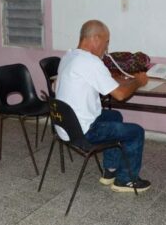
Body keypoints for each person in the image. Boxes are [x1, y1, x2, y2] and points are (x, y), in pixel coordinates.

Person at [55, 20, 151, 192]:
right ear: (96, 39)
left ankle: (110, 171)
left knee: (114, 116)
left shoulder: (69, 56)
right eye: (106, 42)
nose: (106, 49)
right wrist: (138, 81)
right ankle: (126, 180)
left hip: (65, 126)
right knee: (136, 131)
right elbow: (120, 95)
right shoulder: (91, 62)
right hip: (83, 132)